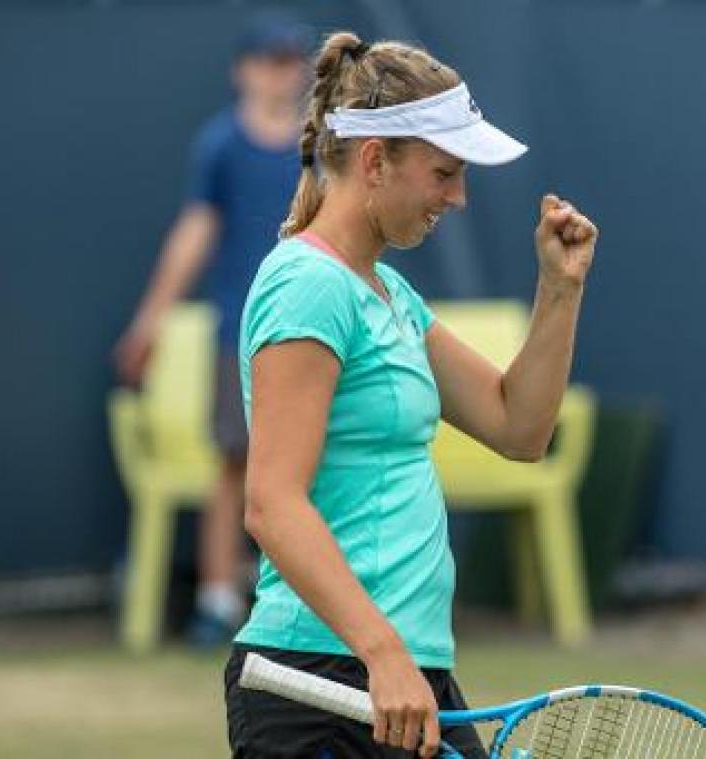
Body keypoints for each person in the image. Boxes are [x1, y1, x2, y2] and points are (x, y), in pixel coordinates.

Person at [222, 30, 598, 759]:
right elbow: (272, 501)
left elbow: (519, 427)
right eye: (443, 173)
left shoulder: (387, 293)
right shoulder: (307, 285)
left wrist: (559, 288)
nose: (457, 198)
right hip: (319, 681)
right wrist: (380, 649)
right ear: (374, 161)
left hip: (399, 668)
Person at [113, 14, 313, 645]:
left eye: (291, 62)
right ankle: (218, 599)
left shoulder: (319, 145)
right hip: (241, 334)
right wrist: (151, 321)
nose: (281, 74)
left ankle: (308, 601)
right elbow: (195, 231)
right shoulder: (221, 144)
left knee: (311, 467)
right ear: (243, 70)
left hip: (313, 332)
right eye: (269, 61)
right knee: (234, 464)